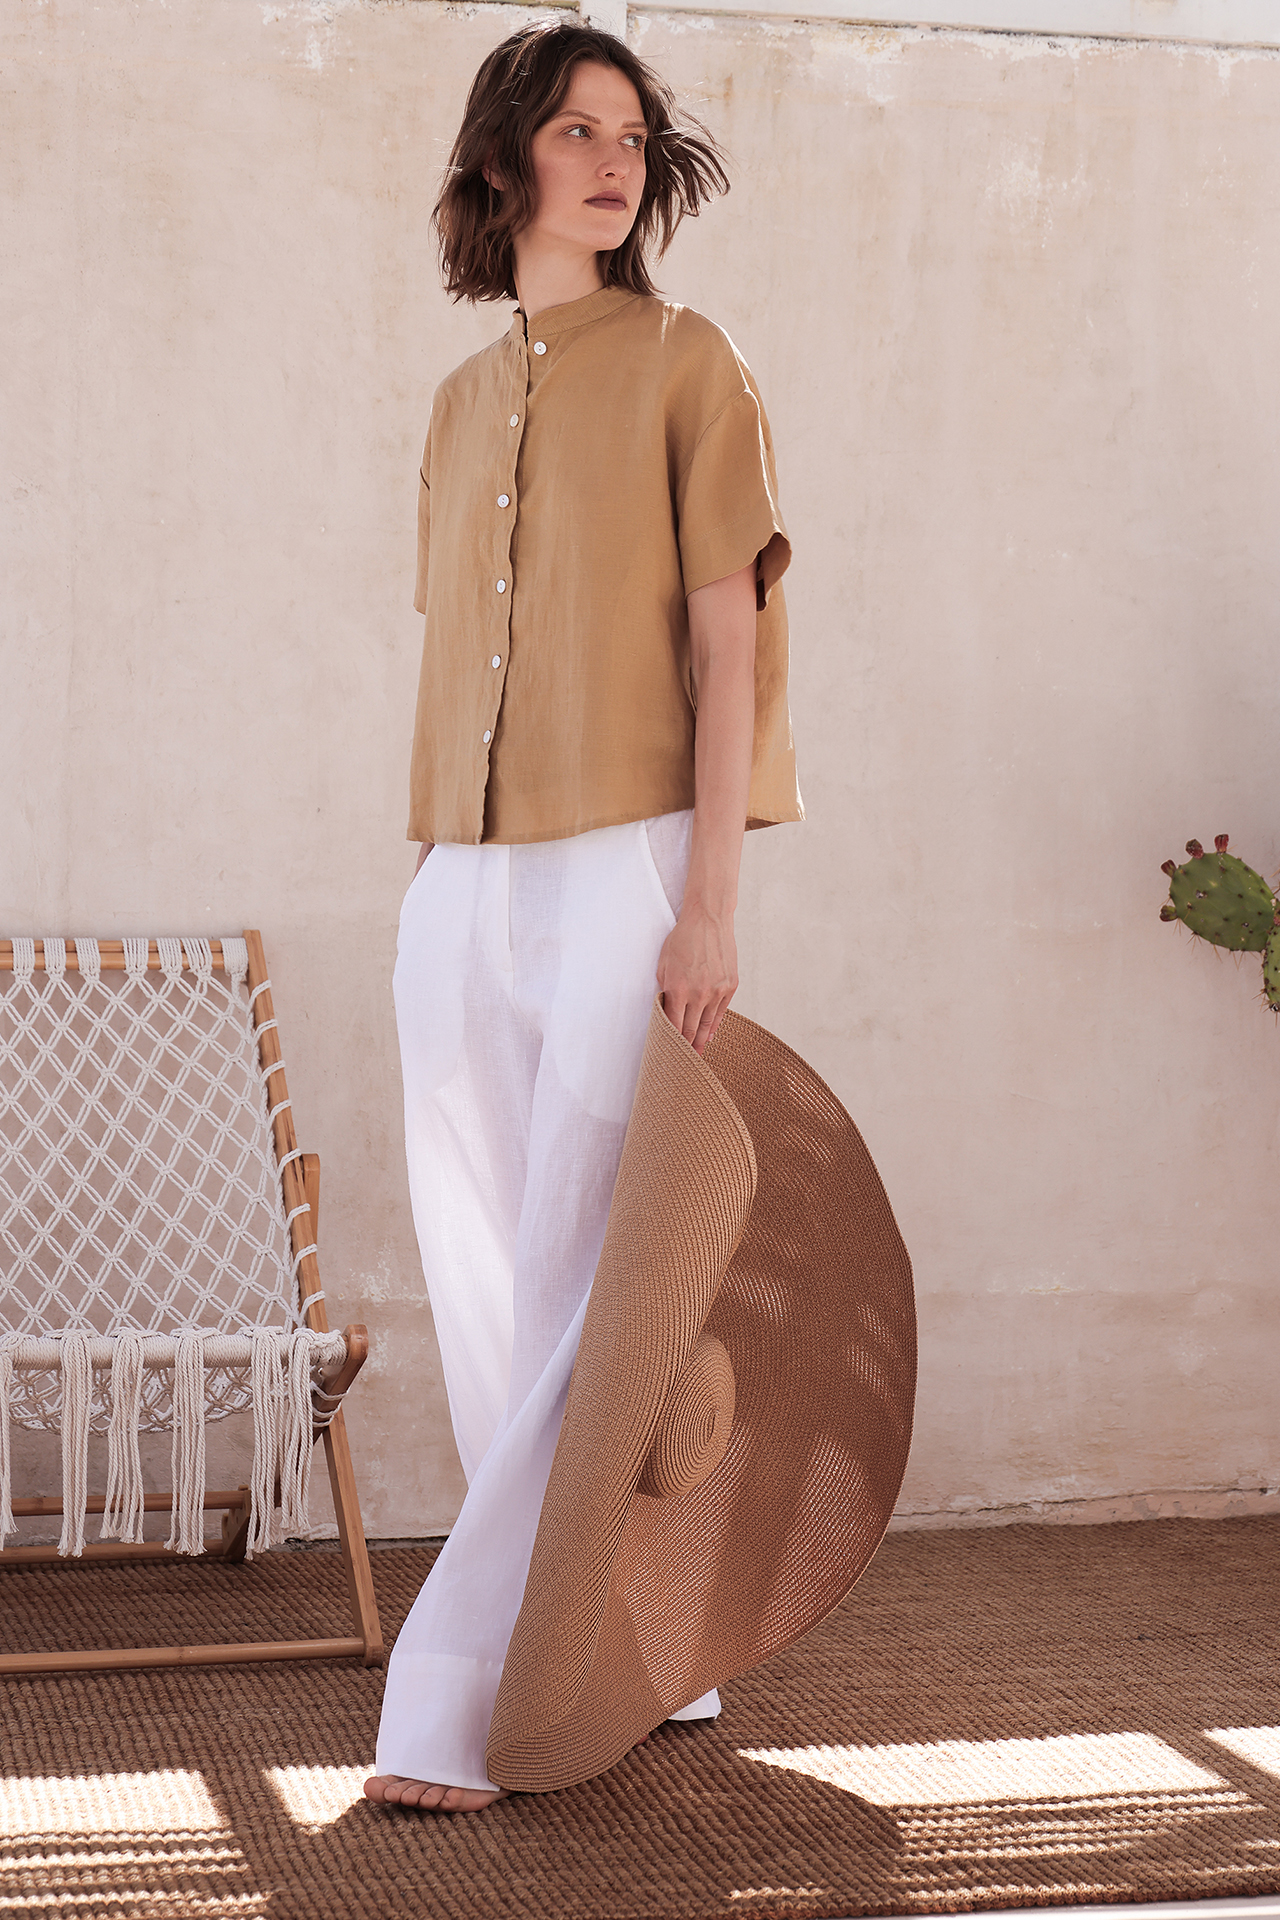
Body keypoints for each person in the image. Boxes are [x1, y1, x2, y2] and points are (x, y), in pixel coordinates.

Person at [364, 18, 801, 1815]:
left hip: (623, 868)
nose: (614, 163)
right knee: (487, 1278)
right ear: (506, 163)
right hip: (458, 880)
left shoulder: (693, 365)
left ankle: (456, 1703)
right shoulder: (460, 403)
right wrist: (431, 884)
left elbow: (728, 654)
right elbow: (458, 662)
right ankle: (612, 1631)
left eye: (633, 136)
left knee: (579, 1291)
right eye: (576, 133)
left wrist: (708, 905)